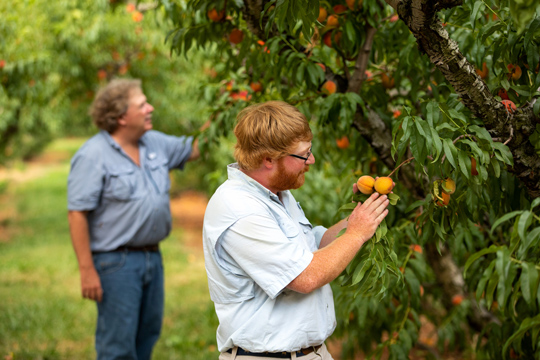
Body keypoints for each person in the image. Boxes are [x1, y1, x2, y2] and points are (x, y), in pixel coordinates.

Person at [202, 100, 390, 359]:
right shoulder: (239, 209)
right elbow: (306, 276)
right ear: (268, 159)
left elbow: (315, 246)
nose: (311, 160)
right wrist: (358, 233)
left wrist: (361, 214)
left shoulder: (277, 194)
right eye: (304, 154)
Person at [67, 78, 203, 360]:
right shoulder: (93, 155)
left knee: (147, 336)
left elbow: (196, 147)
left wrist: (228, 106)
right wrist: (86, 270)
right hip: (116, 263)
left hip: (153, 257)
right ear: (121, 116)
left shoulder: (154, 142)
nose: (149, 108)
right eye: (142, 104)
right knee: (118, 345)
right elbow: (77, 213)